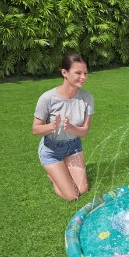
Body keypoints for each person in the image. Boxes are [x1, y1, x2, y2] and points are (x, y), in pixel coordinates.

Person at [32, 53, 94, 201]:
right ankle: (53, 176)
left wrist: (71, 128)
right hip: (51, 150)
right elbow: (35, 129)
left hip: (73, 147)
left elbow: (84, 131)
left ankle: (62, 171)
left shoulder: (87, 98)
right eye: (78, 73)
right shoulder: (47, 98)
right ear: (64, 72)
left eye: (85, 73)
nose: (83, 77)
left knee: (83, 189)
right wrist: (52, 126)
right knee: (72, 196)